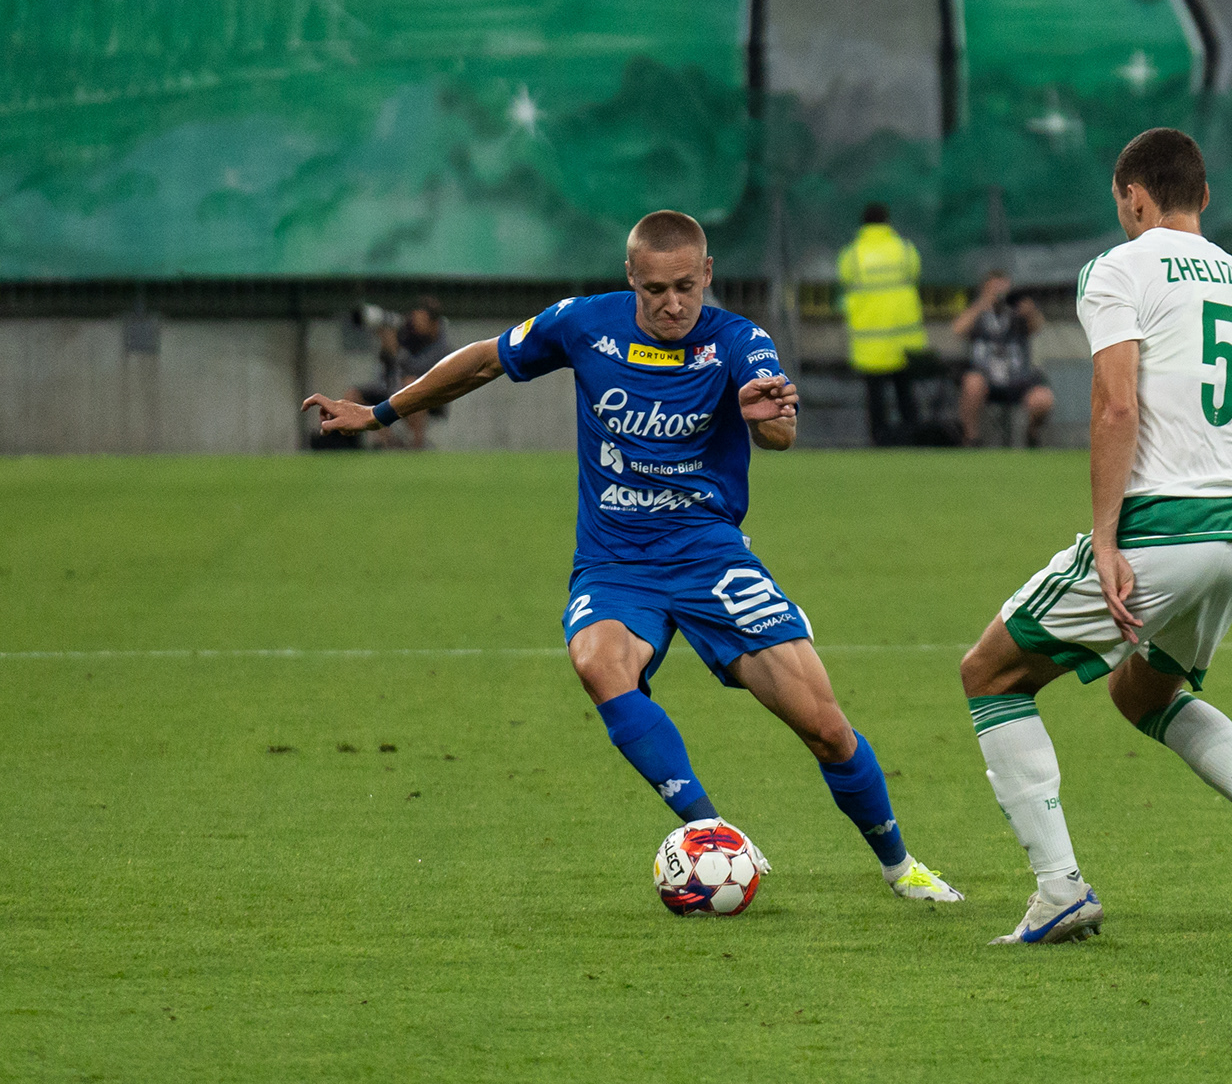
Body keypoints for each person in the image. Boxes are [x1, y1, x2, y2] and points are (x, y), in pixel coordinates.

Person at [303, 211, 962, 905]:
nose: (672, 303)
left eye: (685, 286)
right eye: (654, 289)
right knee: (597, 660)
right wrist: (379, 413)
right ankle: (708, 830)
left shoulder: (741, 341)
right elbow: (486, 359)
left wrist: (770, 420)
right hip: (616, 562)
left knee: (826, 727)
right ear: (631, 279)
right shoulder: (584, 324)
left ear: (707, 275)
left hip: (711, 557)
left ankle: (900, 866)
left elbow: (778, 432)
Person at [956, 128, 1232, 944]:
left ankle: (1060, 889)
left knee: (991, 675)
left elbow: (1114, 405)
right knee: (1141, 691)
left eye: (1124, 204)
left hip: (1159, 532)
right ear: (1204, 198)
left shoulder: (1120, 267)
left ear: (1134, 198)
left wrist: (1106, 541)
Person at [837, 203, 928, 446]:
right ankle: (913, 438)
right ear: (888, 221)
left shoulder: (852, 255)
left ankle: (880, 440)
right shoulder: (905, 250)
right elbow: (916, 274)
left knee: (875, 396)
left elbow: (845, 282)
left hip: (869, 340)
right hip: (903, 337)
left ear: (863, 224)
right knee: (905, 393)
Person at [952, 271, 1054, 448]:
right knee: (972, 382)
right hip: (987, 378)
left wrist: (1029, 311)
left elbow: (1037, 326)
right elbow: (958, 330)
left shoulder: (1017, 313)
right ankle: (971, 439)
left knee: (1043, 398)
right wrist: (983, 303)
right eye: (994, 288)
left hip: (1018, 379)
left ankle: (1032, 435)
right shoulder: (979, 312)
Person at [379, 298, 452, 449]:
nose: (415, 323)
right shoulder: (409, 336)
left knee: (412, 385)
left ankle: (416, 447)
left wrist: (396, 351)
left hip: (430, 396)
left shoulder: (441, 345)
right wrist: (387, 346)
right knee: (355, 394)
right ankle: (388, 444)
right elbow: (385, 365)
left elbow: (418, 369)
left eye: (421, 319)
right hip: (394, 389)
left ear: (433, 322)